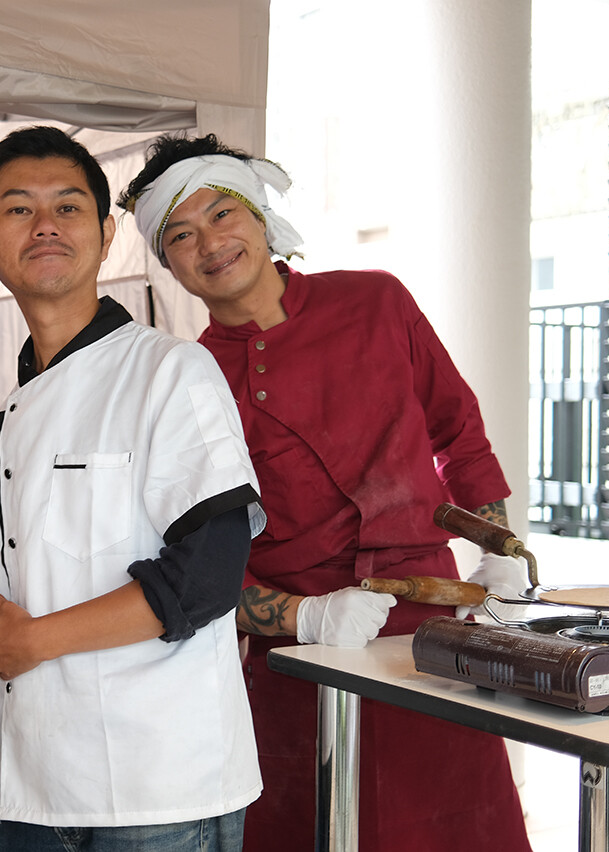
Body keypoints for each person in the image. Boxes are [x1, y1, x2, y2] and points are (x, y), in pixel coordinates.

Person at [118, 134, 534, 852]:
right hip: (301, 651)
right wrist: (305, 618)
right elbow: (189, 559)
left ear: (258, 215)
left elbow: (457, 429)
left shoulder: (377, 300)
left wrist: (497, 545)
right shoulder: (188, 378)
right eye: (179, 235)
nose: (210, 244)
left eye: (221, 214)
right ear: (167, 263)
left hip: (434, 631)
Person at [0, 125, 264, 851]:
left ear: (107, 235)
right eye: (19, 209)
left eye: (68, 206)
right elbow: (38, 567)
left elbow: (207, 576)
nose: (45, 225)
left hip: (159, 791)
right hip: (34, 782)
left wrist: (33, 639)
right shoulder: (0, 426)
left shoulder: (170, 371)